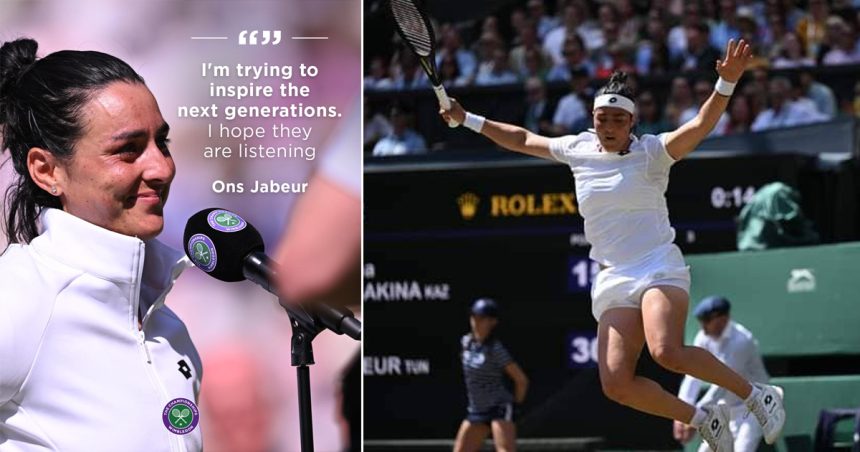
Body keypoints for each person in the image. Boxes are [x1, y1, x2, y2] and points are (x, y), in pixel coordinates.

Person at [441, 39, 785, 452]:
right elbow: (520, 138)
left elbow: (698, 127)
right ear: (592, 118)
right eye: (602, 118)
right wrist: (466, 119)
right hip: (613, 276)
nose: (608, 126)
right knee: (617, 383)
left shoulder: (652, 153)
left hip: (658, 265)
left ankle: (756, 395)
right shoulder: (577, 149)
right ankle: (703, 418)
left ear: (631, 123)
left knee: (666, 351)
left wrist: (725, 84)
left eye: (617, 120)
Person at [0, 38, 202, 450]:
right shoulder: (19, 297)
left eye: (161, 142)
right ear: (46, 170)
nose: (162, 167)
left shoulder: (170, 329)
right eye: (127, 150)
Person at [674, 296, 771, 452]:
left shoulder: (742, 341)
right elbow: (693, 375)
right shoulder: (703, 337)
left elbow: (723, 384)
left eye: (707, 321)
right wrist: (682, 410)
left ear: (723, 319)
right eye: (701, 321)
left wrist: (693, 415)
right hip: (725, 407)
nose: (703, 327)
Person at [454, 298, 529, 452]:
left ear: (492, 322)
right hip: (476, 409)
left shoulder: (496, 349)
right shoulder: (466, 343)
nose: (476, 321)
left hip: (499, 408)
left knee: (504, 450)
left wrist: (516, 407)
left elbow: (521, 380)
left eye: (481, 318)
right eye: (473, 317)